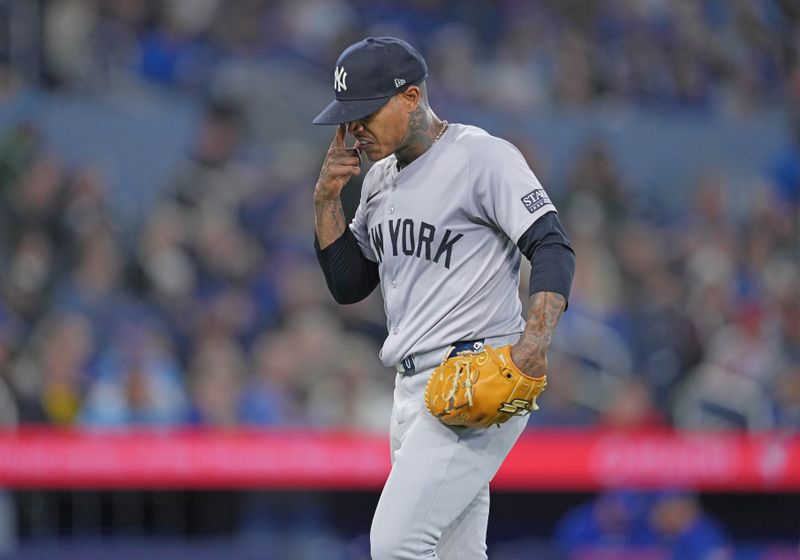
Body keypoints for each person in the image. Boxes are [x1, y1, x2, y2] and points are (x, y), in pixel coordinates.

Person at [312, 37, 575, 560]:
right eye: (348, 116)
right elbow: (350, 285)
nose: (355, 128)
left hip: (474, 378)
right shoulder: (378, 180)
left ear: (410, 97)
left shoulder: (482, 157)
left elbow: (551, 244)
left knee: (395, 544)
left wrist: (534, 343)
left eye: (366, 113)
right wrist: (325, 202)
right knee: (455, 552)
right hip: (410, 387)